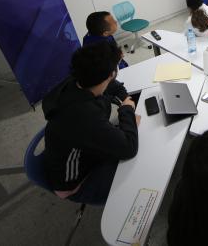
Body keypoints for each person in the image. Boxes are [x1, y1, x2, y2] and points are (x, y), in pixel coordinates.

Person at [42, 41, 140, 205]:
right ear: (111, 74)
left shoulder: (80, 79)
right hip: (76, 182)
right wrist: (127, 110)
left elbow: (114, 88)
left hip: (83, 150)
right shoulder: (84, 116)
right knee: (138, 162)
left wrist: (126, 100)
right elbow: (129, 148)